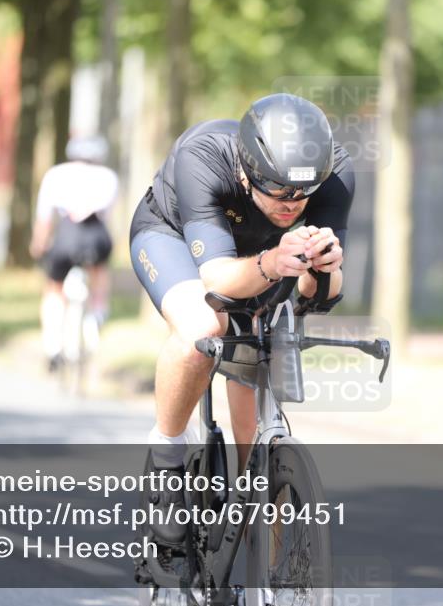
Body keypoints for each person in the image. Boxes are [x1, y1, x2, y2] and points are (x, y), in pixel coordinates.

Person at [129, 93, 354, 543]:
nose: (293, 203)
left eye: (304, 193)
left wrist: (323, 270)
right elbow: (216, 279)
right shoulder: (205, 156)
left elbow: (321, 296)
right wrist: (272, 263)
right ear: (244, 172)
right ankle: (166, 457)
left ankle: (261, 548)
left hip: (264, 252)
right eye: (278, 190)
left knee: (262, 353)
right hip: (171, 237)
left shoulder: (334, 173)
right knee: (202, 328)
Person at [30, 136, 118, 372]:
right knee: (99, 275)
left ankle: (53, 346)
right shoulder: (108, 177)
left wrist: (39, 244)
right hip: (96, 237)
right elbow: (106, 214)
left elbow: (44, 218)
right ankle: (96, 317)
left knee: (54, 287)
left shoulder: (56, 175)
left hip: (66, 237)